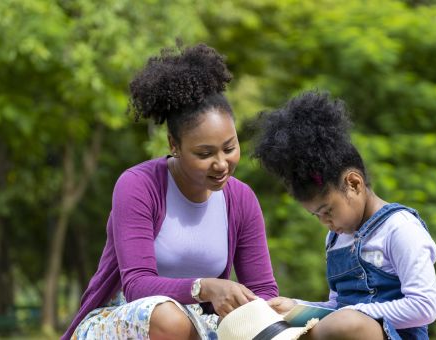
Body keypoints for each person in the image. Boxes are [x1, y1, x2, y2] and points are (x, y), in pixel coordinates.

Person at [62, 43, 278, 340]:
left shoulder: (241, 200)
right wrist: (204, 287)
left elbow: (264, 289)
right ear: (173, 145)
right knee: (170, 319)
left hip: (201, 325)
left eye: (230, 148)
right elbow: (137, 283)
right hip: (125, 319)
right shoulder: (138, 186)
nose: (221, 164)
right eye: (204, 154)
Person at [253, 91, 436, 340]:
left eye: (327, 211)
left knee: (346, 324)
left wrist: (355, 314)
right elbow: (337, 308)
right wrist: (297, 307)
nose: (325, 223)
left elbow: (424, 306)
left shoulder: (400, 228)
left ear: (353, 184)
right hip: (346, 327)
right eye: (315, 215)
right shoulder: (335, 239)